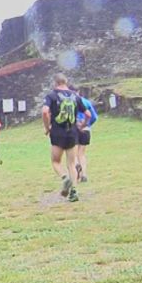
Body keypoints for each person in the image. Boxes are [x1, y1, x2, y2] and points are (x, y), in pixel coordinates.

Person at [42, 73, 91, 202]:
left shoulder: (51, 95)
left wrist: (47, 127)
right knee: (71, 163)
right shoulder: (75, 96)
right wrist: (83, 125)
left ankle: (65, 178)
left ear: (55, 83)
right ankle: (74, 192)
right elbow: (88, 114)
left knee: (56, 161)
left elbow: (45, 111)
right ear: (66, 82)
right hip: (72, 132)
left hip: (57, 132)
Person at [75, 92, 98, 183]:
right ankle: (84, 174)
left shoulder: (70, 102)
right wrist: (87, 124)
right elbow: (94, 117)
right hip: (86, 129)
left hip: (74, 129)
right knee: (82, 153)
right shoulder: (86, 102)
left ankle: (76, 165)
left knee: (73, 152)